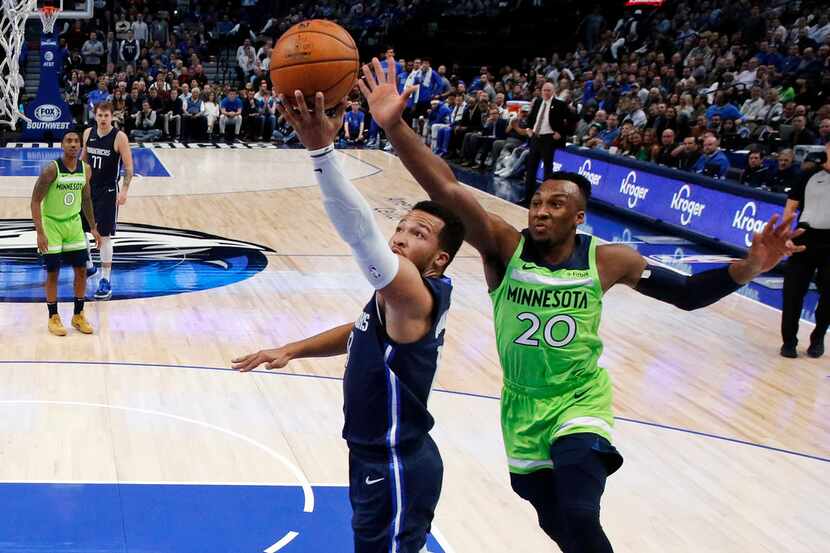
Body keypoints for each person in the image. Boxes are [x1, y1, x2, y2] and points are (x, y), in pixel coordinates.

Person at [358, 54, 805, 553]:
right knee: (560, 525)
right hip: (522, 406)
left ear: (579, 215)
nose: (541, 211)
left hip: (579, 401)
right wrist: (395, 126)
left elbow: (686, 295)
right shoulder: (506, 248)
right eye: (536, 202)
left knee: (577, 509)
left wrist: (746, 269)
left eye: (555, 205)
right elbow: (445, 186)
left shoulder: (611, 260)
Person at [233, 90, 465, 553]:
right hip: (375, 458)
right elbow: (359, 331)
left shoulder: (413, 296)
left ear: (438, 260)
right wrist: (293, 348)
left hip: (397, 463)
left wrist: (322, 153)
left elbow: (362, 237)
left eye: (416, 235)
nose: (399, 238)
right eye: (400, 226)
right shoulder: (396, 300)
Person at [31, 131, 102, 335]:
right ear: (62, 145)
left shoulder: (85, 170)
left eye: (76, 141)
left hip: (73, 225)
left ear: (80, 145)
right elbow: (35, 201)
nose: (72, 144)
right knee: (53, 272)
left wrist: (93, 227)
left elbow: (87, 199)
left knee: (81, 271)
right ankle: (53, 317)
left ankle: (78, 315)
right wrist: (40, 232)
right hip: (51, 224)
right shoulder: (50, 170)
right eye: (68, 141)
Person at [81, 102, 134, 300]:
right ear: (95, 116)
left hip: (108, 192)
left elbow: (129, 168)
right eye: (100, 115)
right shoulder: (88, 133)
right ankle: (88, 266)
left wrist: (125, 191)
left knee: (104, 236)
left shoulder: (119, 137)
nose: (103, 119)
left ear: (112, 117)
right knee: (80, 231)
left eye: (106, 115)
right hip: (88, 190)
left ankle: (105, 279)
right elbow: (83, 161)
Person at [781, 144, 830, 358]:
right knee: (793, 292)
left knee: (829, 296)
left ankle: (818, 337)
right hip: (804, 236)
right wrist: (786, 235)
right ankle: (789, 341)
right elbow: (790, 208)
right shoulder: (808, 175)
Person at [523, 81, 577, 206]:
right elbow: (532, 118)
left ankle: (546, 200)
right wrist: (529, 128)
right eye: (544, 90)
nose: (546, 92)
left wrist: (561, 133)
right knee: (531, 168)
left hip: (548, 139)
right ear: (541, 91)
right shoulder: (537, 102)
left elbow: (573, 119)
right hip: (536, 137)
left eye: (548, 90)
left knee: (548, 170)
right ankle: (528, 198)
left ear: (553, 92)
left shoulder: (560, 104)